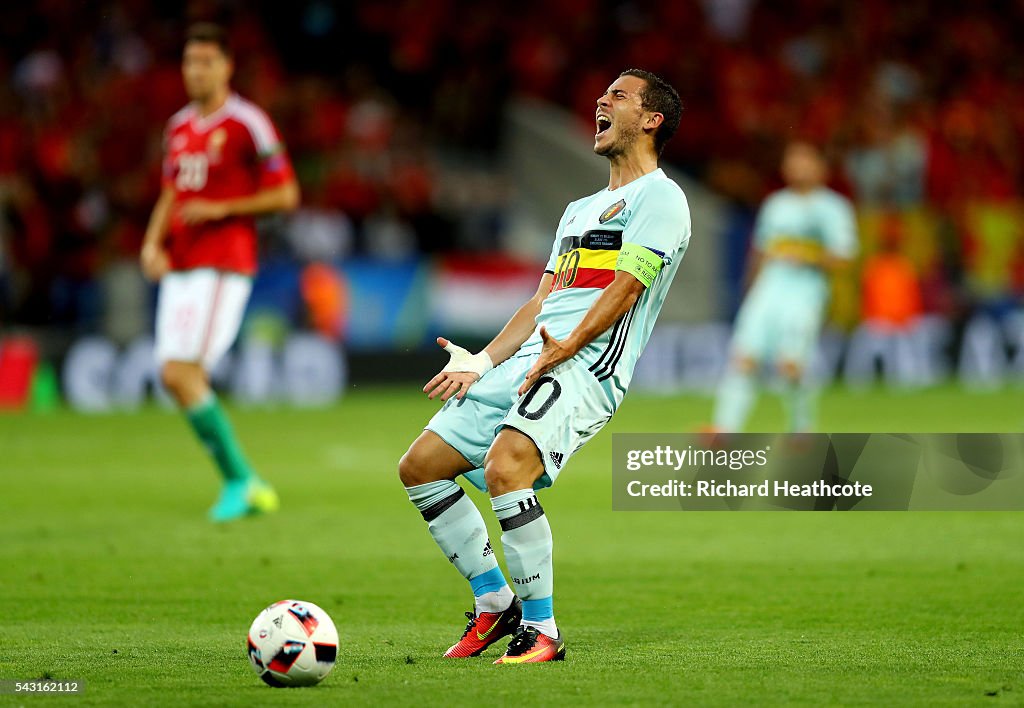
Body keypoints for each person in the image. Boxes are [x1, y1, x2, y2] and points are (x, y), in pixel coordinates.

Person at [398, 69, 689, 664]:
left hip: (588, 364)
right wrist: (481, 362)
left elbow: (628, 286)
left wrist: (570, 343)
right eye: (602, 93)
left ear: (651, 119)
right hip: (536, 355)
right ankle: (494, 605)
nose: (601, 101)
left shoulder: (662, 198)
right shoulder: (579, 209)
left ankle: (543, 631)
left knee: (508, 468)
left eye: (619, 96)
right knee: (421, 467)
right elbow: (540, 302)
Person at [140, 23, 299, 522]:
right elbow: (171, 192)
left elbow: (286, 194)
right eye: (190, 62)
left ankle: (241, 480)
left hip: (223, 264)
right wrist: (151, 242)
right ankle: (242, 482)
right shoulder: (178, 127)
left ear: (227, 67)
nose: (196, 71)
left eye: (207, 61)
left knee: (179, 372)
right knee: (179, 378)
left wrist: (221, 208)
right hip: (183, 265)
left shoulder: (248, 122)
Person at [712, 141, 857, 432]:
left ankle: (801, 429)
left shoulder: (832, 207)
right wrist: (750, 287)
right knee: (744, 356)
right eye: (792, 161)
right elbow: (761, 251)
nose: (797, 167)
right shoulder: (776, 204)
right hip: (768, 289)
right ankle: (723, 430)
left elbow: (845, 256)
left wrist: (808, 256)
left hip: (806, 291)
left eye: (805, 161)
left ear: (820, 167)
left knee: (790, 365)